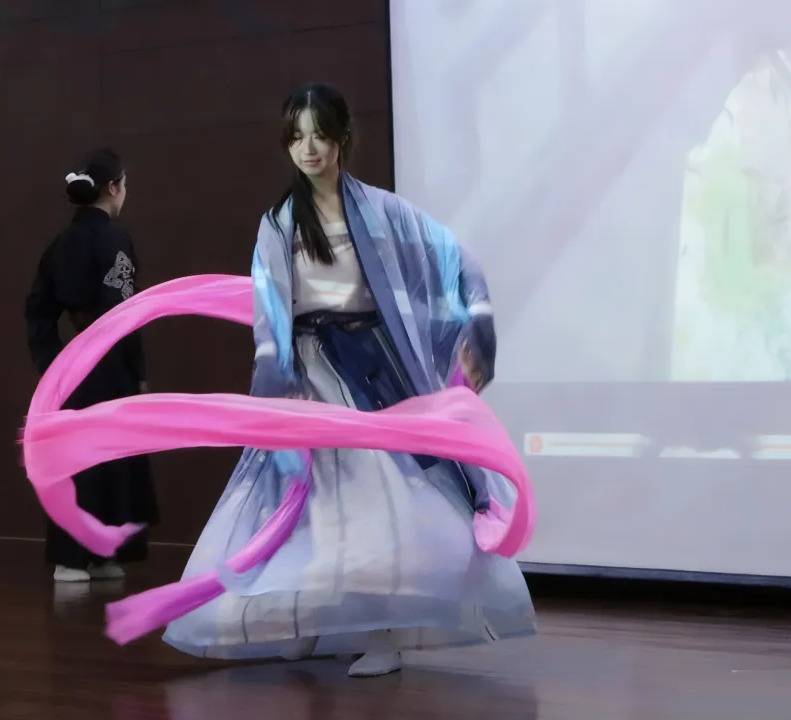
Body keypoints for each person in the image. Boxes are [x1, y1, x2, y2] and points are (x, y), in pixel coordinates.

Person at [162, 84, 535, 677]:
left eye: (319, 135)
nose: (308, 148)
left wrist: (480, 324)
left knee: (375, 501)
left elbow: (456, 258)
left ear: (342, 138)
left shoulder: (384, 212)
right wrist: (274, 373)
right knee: (302, 505)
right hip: (304, 377)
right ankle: (308, 621)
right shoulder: (278, 223)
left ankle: (383, 633)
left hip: (370, 375)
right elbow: (270, 307)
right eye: (297, 137)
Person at [24, 149, 158, 583]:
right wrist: (138, 373)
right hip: (112, 363)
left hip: (72, 364)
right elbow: (127, 314)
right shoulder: (115, 239)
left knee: (78, 456)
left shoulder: (61, 243)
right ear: (114, 187)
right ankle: (98, 555)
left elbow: (37, 308)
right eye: (125, 184)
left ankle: (78, 559)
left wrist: (50, 361)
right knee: (110, 456)